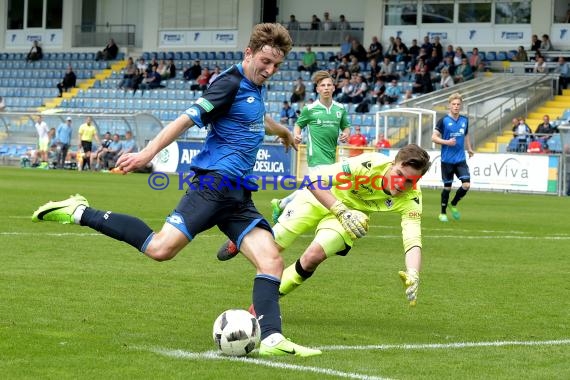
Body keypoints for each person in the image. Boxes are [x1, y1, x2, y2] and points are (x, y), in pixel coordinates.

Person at [31, 23, 320, 358]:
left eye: (276, 66)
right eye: (265, 62)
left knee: (271, 260)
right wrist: (146, 154)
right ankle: (79, 211)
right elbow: (183, 120)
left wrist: (283, 131)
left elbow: (257, 114)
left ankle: (271, 338)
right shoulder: (227, 83)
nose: (270, 70)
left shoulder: (252, 85)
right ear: (249, 53)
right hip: (212, 186)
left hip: (238, 195)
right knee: (160, 249)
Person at [217, 144, 432, 309]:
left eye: (409, 182)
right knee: (270, 250)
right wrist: (339, 209)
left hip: (352, 215)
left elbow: (412, 239)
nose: (401, 185)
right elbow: (313, 181)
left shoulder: (412, 198)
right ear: (393, 164)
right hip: (322, 197)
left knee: (313, 257)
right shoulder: (368, 164)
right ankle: (243, 239)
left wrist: (413, 273)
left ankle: (265, 303)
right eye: (399, 176)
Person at [271, 70, 350, 223]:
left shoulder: (340, 109)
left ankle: (282, 204)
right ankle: (290, 217)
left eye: (329, 85)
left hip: (331, 155)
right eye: (323, 85)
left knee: (312, 188)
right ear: (317, 89)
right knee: (321, 189)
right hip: (315, 155)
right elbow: (298, 125)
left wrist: (346, 134)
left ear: (334, 88)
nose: (326, 88)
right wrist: (297, 135)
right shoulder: (310, 109)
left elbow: (346, 126)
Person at [431, 93, 474, 222]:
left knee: (466, 185)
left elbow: (466, 135)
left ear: (461, 106)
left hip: (460, 160)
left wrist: (470, 148)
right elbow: (433, 137)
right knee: (447, 187)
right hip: (447, 160)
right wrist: (446, 142)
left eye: (458, 104)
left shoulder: (464, 120)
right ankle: (443, 213)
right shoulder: (443, 121)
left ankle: (453, 204)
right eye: (454, 104)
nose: (456, 106)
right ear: (449, 105)